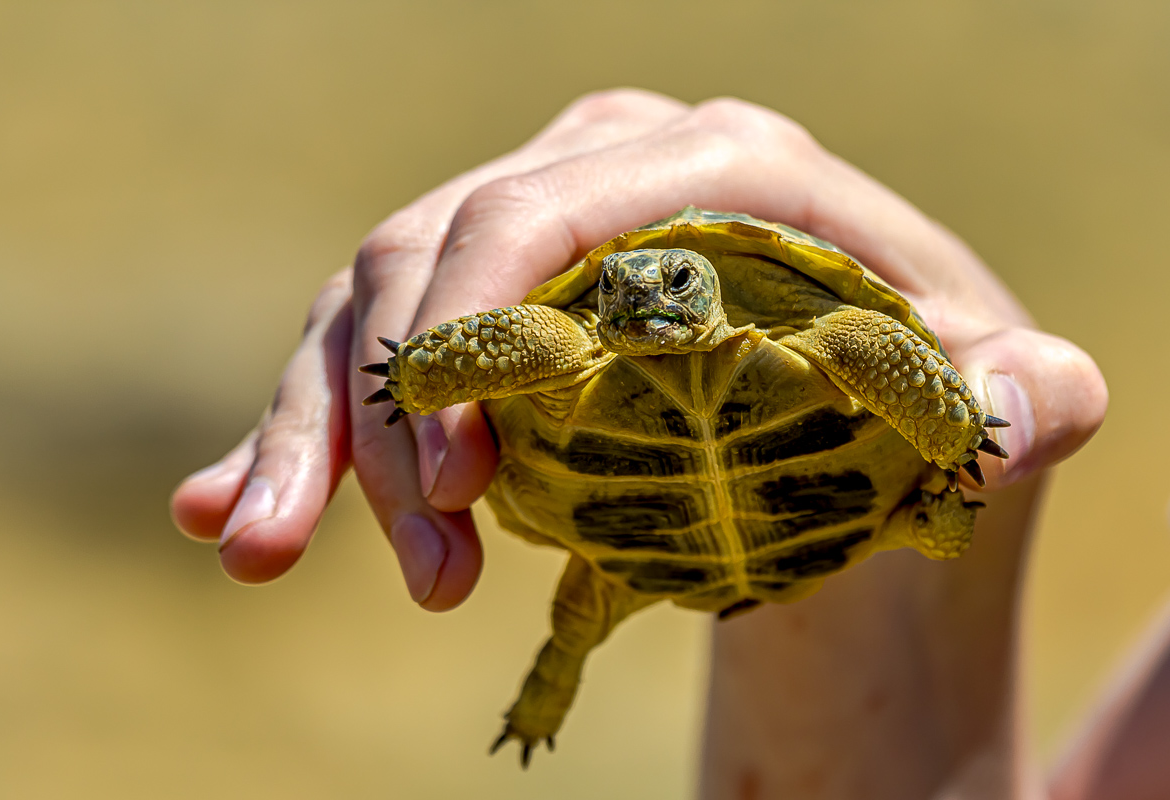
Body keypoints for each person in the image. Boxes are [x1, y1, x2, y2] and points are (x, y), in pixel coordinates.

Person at [170, 90, 1126, 798]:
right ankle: (549, 691)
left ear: (705, 289)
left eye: (669, 289)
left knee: (938, 521)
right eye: (623, 295)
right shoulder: (565, 339)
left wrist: (961, 430)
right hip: (655, 546)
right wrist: (419, 375)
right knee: (580, 617)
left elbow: (872, 341)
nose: (639, 305)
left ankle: (927, 518)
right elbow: (512, 342)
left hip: (844, 520)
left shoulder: (825, 331)